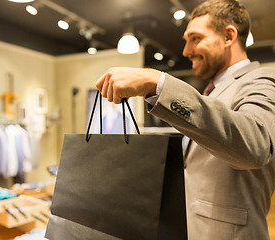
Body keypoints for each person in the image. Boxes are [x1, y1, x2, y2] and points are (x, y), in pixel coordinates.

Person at [96, 0, 275, 239]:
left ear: (228, 36)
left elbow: (256, 145)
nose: (186, 51)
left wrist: (156, 82)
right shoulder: (212, 91)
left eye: (196, 38)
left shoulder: (262, 79)